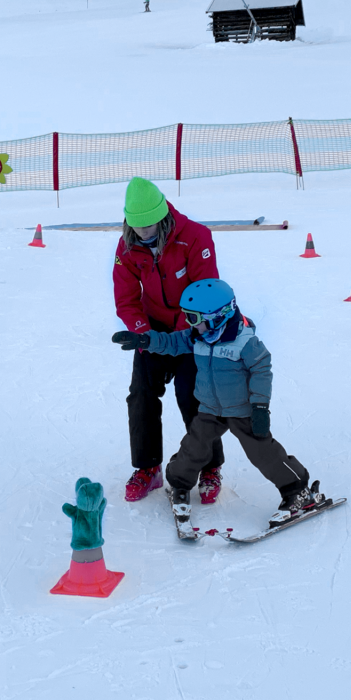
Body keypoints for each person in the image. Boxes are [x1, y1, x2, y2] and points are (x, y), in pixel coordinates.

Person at [112, 279, 321, 525]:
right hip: (210, 408)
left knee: (262, 452)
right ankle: (178, 483)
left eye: (193, 318)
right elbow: (172, 342)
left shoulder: (245, 342)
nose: (190, 324)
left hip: (242, 410)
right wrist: (146, 341)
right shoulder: (198, 336)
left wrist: (260, 407)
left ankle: (299, 491)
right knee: (194, 447)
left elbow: (262, 370)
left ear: (218, 316)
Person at [113, 177, 224, 502]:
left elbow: (204, 292)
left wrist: (178, 335)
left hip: (194, 329)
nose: (144, 232)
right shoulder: (128, 245)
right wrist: (143, 332)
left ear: (162, 216)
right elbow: (127, 296)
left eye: (150, 226)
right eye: (137, 226)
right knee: (141, 394)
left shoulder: (195, 237)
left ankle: (210, 466)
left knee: (193, 395)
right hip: (153, 330)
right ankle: (148, 468)